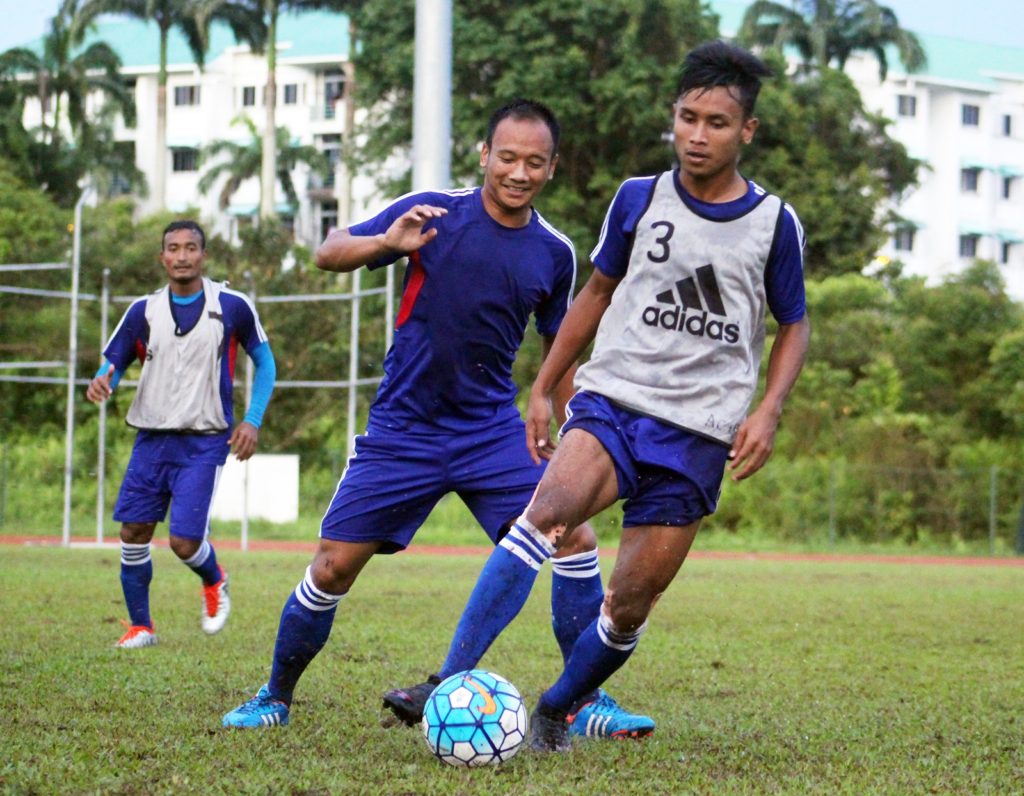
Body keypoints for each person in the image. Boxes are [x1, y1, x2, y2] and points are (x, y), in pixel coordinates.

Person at [402, 41, 811, 753]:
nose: (696, 135)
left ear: (747, 131)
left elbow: (794, 326)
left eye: (716, 122)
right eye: (686, 117)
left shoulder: (774, 223)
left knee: (627, 606)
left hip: (698, 433)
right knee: (543, 516)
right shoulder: (637, 198)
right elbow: (594, 295)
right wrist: (541, 386)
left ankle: (558, 708)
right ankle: (449, 677)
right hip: (614, 403)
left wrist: (768, 409)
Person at [221, 99, 652, 739]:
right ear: (484, 155)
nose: (518, 172)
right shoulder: (432, 211)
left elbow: (559, 352)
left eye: (535, 162)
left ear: (552, 168)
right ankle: (275, 696)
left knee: (574, 540)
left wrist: (572, 430)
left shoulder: (554, 254)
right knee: (333, 566)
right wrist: (385, 243)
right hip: (404, 430)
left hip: (490, 430)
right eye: (507, 157)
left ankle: (587, 699)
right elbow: (327, 250)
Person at [86, 220, 276, 649]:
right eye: (174, 248)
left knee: (184, 541)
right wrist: (103, 381)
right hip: (152, 438)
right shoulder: (142, 311)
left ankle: (215, 580)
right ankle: (141, 627)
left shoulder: (232, 306)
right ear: (163, 257)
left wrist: (253, 419)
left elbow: (265, 363)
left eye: (191, 247)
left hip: (204, 440)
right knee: (133, 532)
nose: (182, 255)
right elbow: (112, 363)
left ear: (203, 256)